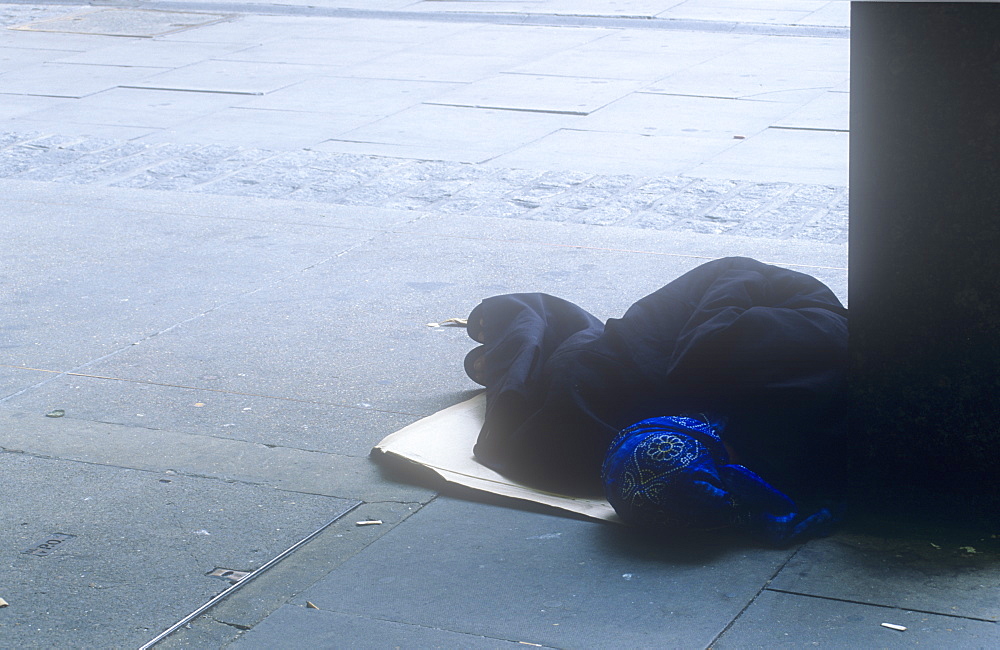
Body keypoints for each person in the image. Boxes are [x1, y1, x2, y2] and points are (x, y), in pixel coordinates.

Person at [463, 257, 848, 545]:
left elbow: (703, 368)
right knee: (574, 391)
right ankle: (509, 341)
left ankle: (510, 341)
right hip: (595, 397)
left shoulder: (814, 337)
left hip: (595, 408)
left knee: (570, 383)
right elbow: (695, 359)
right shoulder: (803, 319)